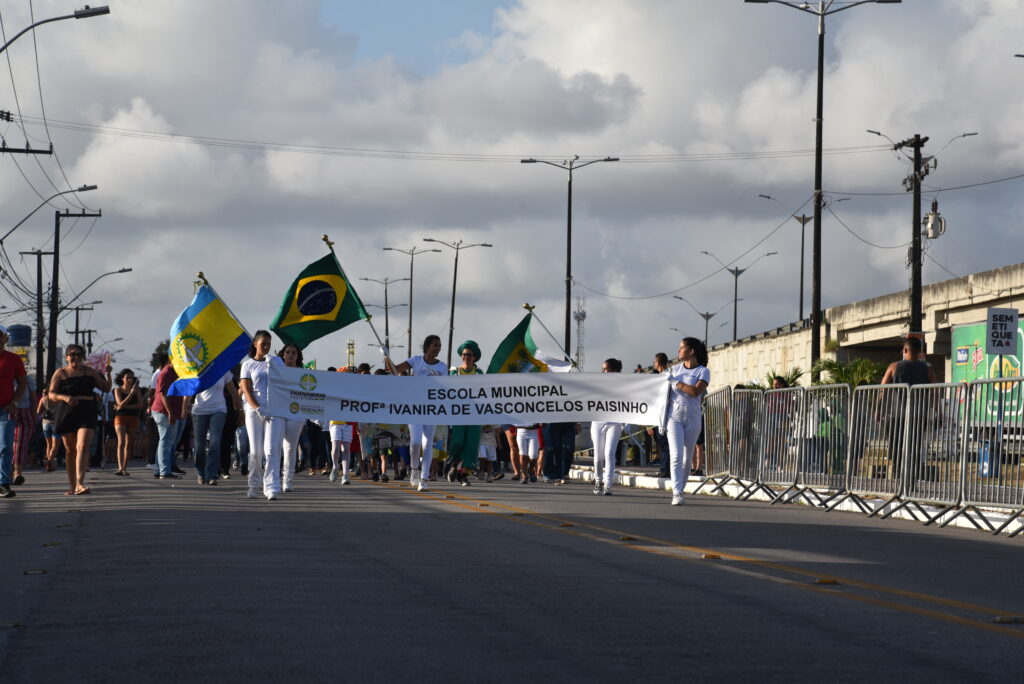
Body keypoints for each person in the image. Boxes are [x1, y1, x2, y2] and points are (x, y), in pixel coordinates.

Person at [48, 344, 111, 496]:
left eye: (79, 354)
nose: (75, 357)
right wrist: (64, 397)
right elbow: (51, 394)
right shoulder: (61, 373)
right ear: (67, 357)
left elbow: (106, 388)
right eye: (72, 354)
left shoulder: (89, 372)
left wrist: (108, 374)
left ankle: (80, 484)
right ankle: (72, 485)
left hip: (87, 410)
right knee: (70, 450)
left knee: (82, 446)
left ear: (83, 357)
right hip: (66, 411)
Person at [387, 334, 447, 492]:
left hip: (432, 410)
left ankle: (424, 478)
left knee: (428, 444)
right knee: (415, 443)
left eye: (439, 346)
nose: (438, 348)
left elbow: (448, 389)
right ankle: (414, 470)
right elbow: (394, 370)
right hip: (414, 409)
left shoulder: (442, 367)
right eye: (435, 345)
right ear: (427, 347)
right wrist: (386, 356)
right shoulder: (416, 360)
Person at [880, 335, 937, 480]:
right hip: (919, 415)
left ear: (905, 349)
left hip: (896, 415)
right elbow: (935, 393)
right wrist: (938, 413)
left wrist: (878, 410)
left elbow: (882, 390)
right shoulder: (928, 370)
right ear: (919, 352)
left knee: (897, 447)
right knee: (915, 447)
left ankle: (899, 477)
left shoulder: (893, 367)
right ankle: (911, 478)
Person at [239, 330, 285, 500]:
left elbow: (284, 382)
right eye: (263, 343)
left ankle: (271, 486)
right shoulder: (247, 364)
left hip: (274, 409)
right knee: (256, 451)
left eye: (269, 344)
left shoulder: (276, 361)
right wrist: (257, 407)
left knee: (272, 449)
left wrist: (274, 365)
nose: (266, 347)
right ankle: (253, 484)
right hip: (254, 410)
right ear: (255, 344)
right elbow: (246, 388)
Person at [665, 337, 710, 506]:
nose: (678, 351)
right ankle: (677, 493)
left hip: (693, 416)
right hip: (673, 416)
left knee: (687, 458)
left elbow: (695, 391)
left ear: (691, 351)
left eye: (681, 348)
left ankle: (680, 489)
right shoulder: (674, 369)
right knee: (676, 455)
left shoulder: (703, 371)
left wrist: (675, 383)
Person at [191, 370, 242, 486]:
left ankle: (212, 475)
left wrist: (241, 410)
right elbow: (190, 389)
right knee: (199, 446)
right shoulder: (197, 369)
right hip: (199, 410)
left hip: (219, 410)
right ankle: (201, 473)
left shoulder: (224, 369)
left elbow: (233, 392)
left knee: (215, 442)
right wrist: (184, 407)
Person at [447, 340, 483, 487]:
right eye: (464, 354)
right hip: (458, 414)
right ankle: (454, 464)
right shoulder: (454, 371)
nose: (466, 357)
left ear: (474, 357)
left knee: (471, 445)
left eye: (469, 355)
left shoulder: (479, 373)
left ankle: (464, 474)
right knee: (457, 442)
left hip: (475, 414)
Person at [0, 326, 28, 499]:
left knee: (4, 446)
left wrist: (14, 402)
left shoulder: (14, 359)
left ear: (5, 339)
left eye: (0, 336)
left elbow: (22, 383)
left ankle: (3, 483)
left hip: (5, 410)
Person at [591, 358, 624, 495]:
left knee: (609, 453)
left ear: (614, 371)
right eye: (602, 368)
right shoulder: (596, 383)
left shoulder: (624, 384)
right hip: (597, 421)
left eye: (605, 369)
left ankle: (608, 484)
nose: (602, 371)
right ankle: (598, 480)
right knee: (598, 456)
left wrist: (625, 423)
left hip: (614, 422)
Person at [151, 353, 187, 479]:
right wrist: (170, 413)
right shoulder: (165, 373)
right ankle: (164, 471)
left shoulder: (176, 372)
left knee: (164, 441)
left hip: (169, 411)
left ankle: (159, 469)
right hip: (163, 411)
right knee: (166, 441)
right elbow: (163, 395)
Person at [277, 343, 306, 492]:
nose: (290, 355)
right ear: (283, 354)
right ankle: (274, 478)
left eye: (293, 352)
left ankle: (288, 480)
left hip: (296, 413)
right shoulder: (276, 371)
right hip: (278, 412)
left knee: (290, 448)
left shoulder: (303, 373)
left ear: (297, 356)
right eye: (287, 352)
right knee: (275, 447)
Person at [112, 369, 143, 476]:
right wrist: (130, 394)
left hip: (133, 417)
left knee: (129, 443)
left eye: (131, 377)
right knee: (121, 442)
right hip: (121, 417)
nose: (130, 380)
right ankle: (120, 468)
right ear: (122, 378)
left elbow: (140, 405)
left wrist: (122, 406)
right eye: (127, 377)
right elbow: (120, 403)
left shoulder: (137, 390)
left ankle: (125, 468)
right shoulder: (118, 390)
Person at [648, 352, 671, 478]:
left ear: (658, 363)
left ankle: (665, 469)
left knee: (665, 444)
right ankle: (665, 468)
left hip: (665, 416)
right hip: (659, 416)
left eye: (654, 362)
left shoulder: (665, 377)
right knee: (663, 445)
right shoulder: (663, 376)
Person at [11, 374, 37, 487]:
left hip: (23, 412)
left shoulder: (26, 379)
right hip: (5, 411)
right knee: (6, 444)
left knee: (20, 444)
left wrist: (34, 415)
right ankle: (8, 472)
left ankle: (17, 473)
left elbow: (34, 398)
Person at [37, 392, 59, 472]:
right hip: (55, 423)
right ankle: (50, 462)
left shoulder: (43, 399)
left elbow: (38, 411)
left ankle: (50, 463)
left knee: (49, 445)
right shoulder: (57, 397)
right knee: (55, 446)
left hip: (45, 423)